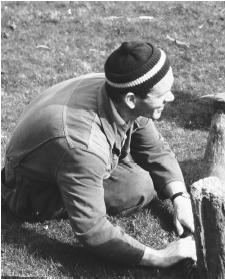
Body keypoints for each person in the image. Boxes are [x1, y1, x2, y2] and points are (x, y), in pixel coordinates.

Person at [2, 41, 197, 267]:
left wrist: (180, 199)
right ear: (132, 100)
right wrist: (161, 257)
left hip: (56, 156)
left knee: (140, 182)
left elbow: (155, 150)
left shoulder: (122, 87)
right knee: (137, 188)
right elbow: (92, 229)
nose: (171, 98)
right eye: (163, 94)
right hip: (27, 189)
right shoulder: (83, 145)